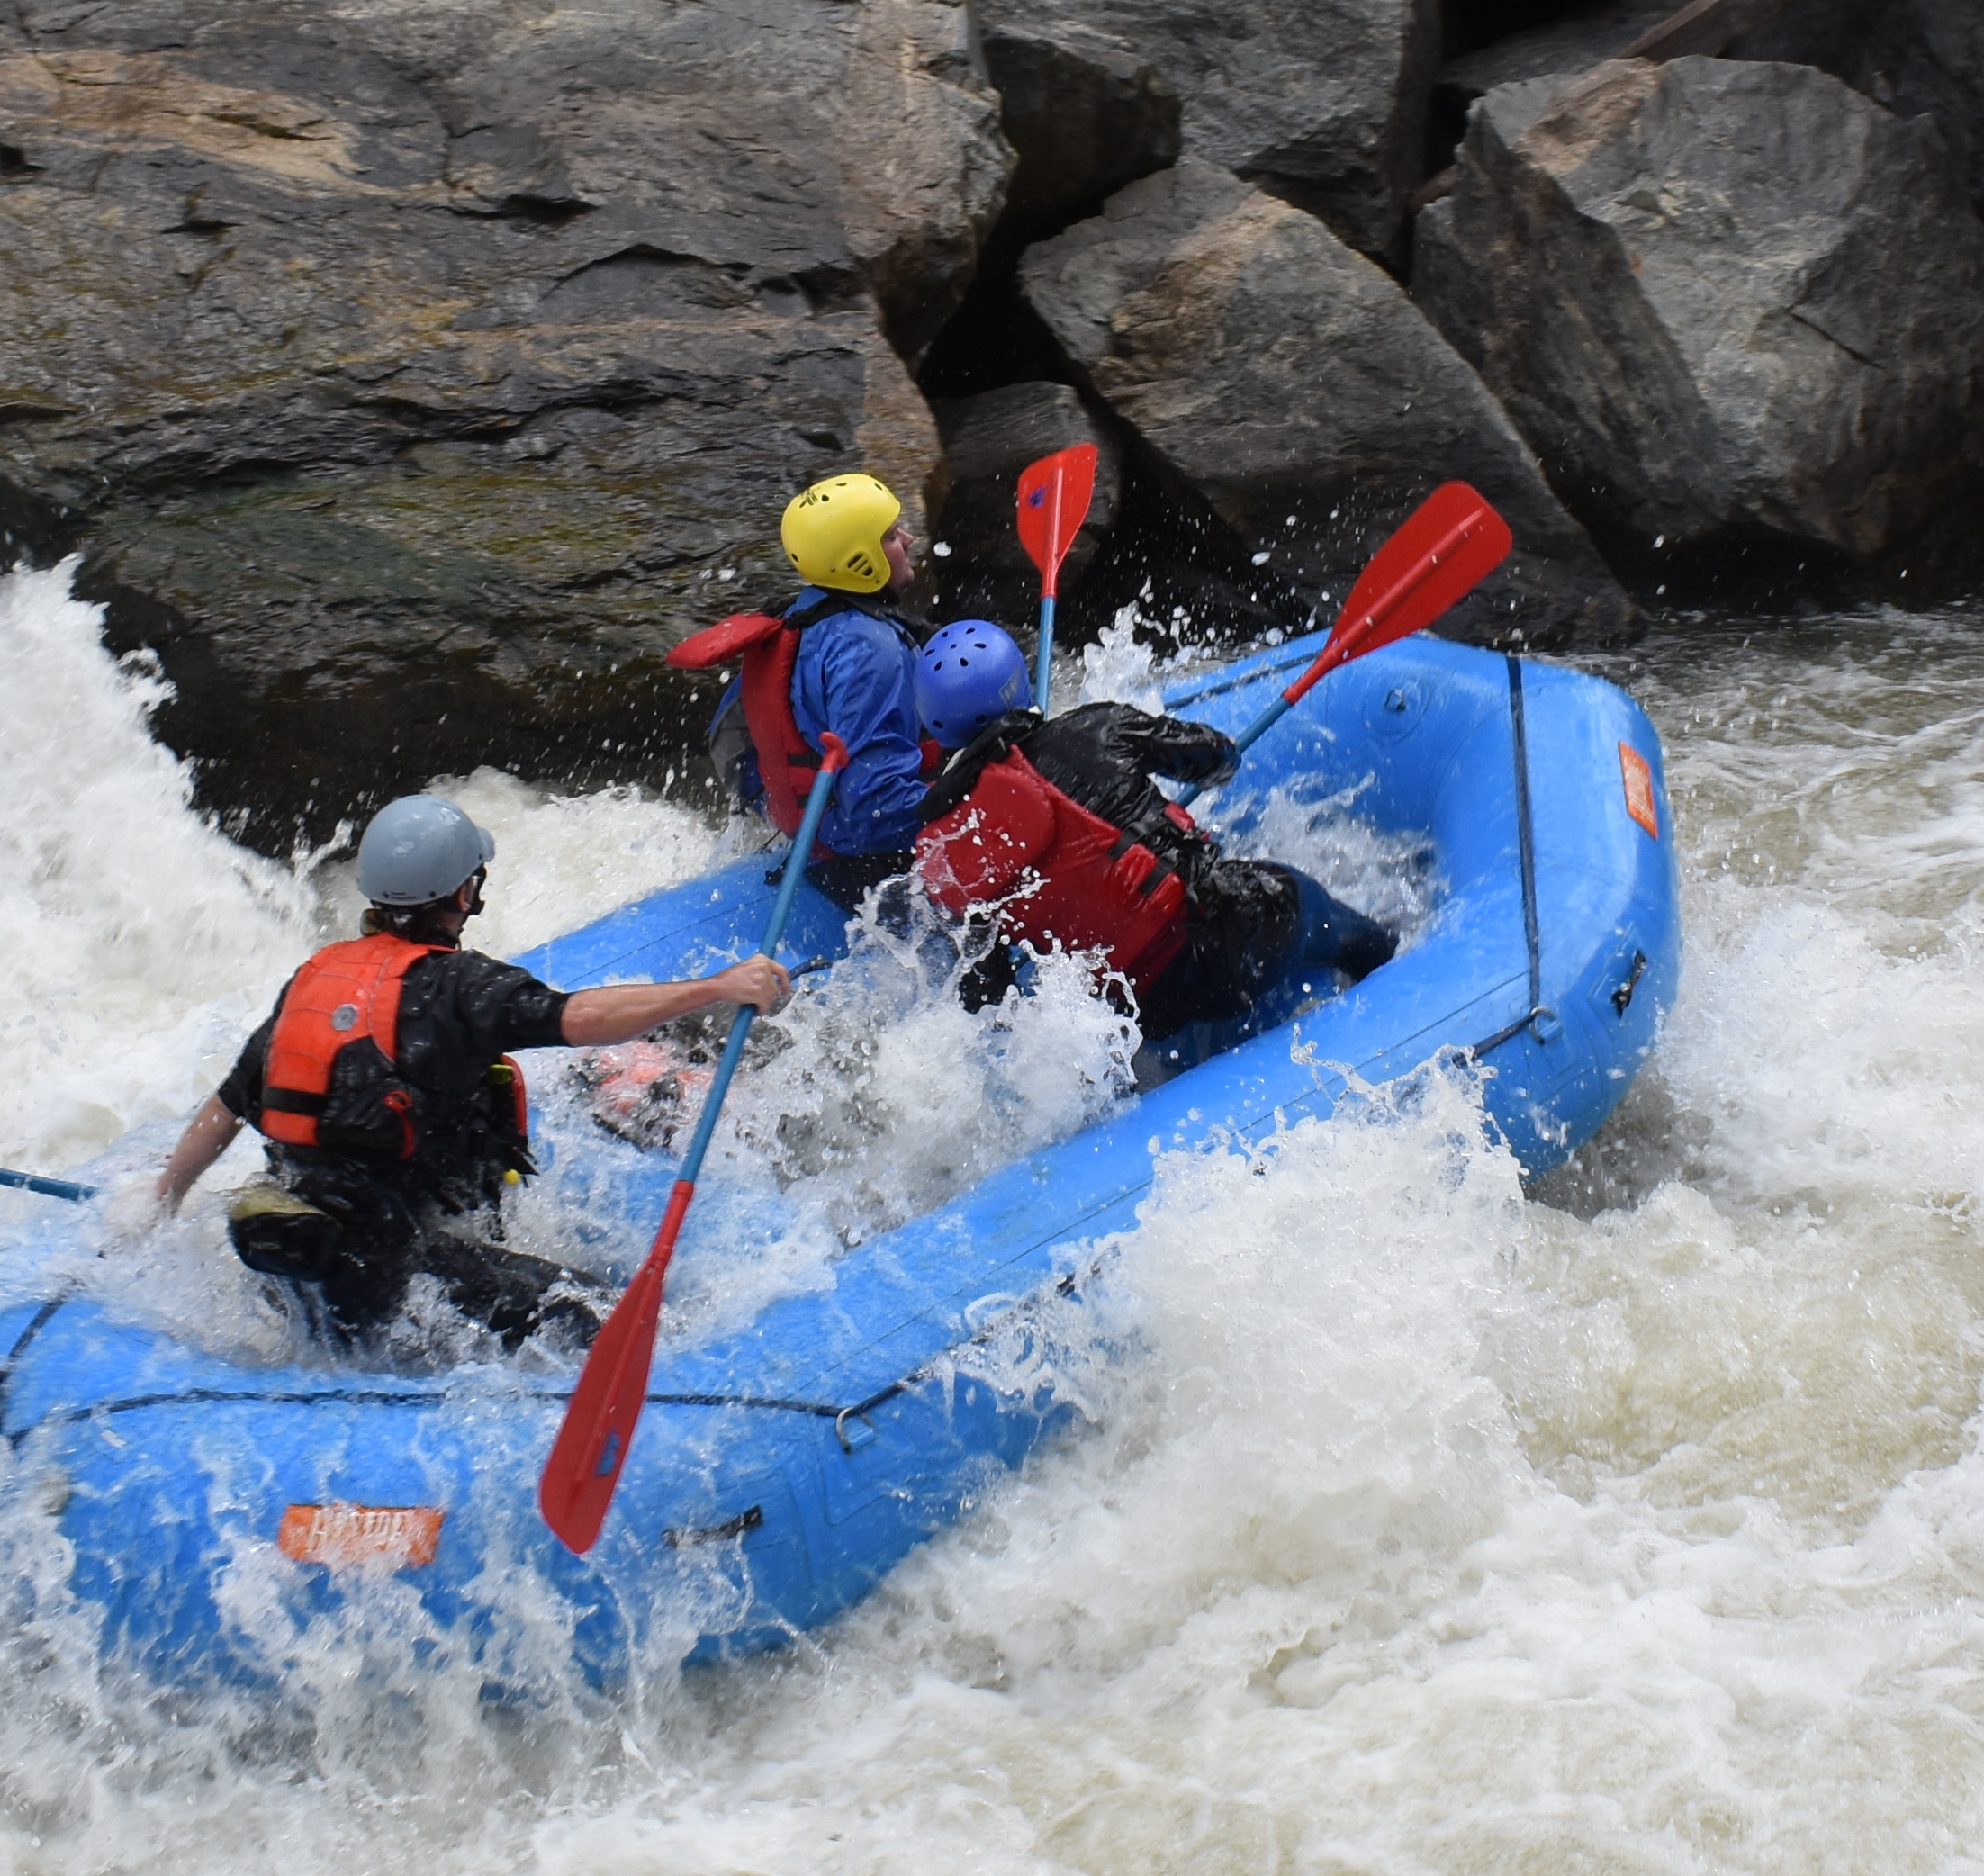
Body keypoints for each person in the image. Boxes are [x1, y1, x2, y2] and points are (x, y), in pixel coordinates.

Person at [143, 793, 797, 1355]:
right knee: (633, 1326)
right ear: (463, 894)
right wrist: (713, 987)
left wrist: (163, 1197)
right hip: (394, 1269)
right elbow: (583, 1016)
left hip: (294, 1252)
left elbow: (227, 1107)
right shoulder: (461, 987)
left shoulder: (316, 982)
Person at [903, 629, 1394, 1056]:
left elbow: (986, 992)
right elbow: (1215, 755)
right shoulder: (1094, 729)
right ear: (1020, 683)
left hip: (1144, 1010)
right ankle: (1390, 959)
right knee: (1308, 907)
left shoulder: (946, 856)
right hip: (1234, 935)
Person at [668, 471, 934, 911]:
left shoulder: (797, 618)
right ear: (860, 560)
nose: (907, 539)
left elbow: (731, 744)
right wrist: (979, 804)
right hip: (869, 864)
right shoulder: (872, 650)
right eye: (889, 536)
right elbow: (877, 814)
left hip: (816, 838)